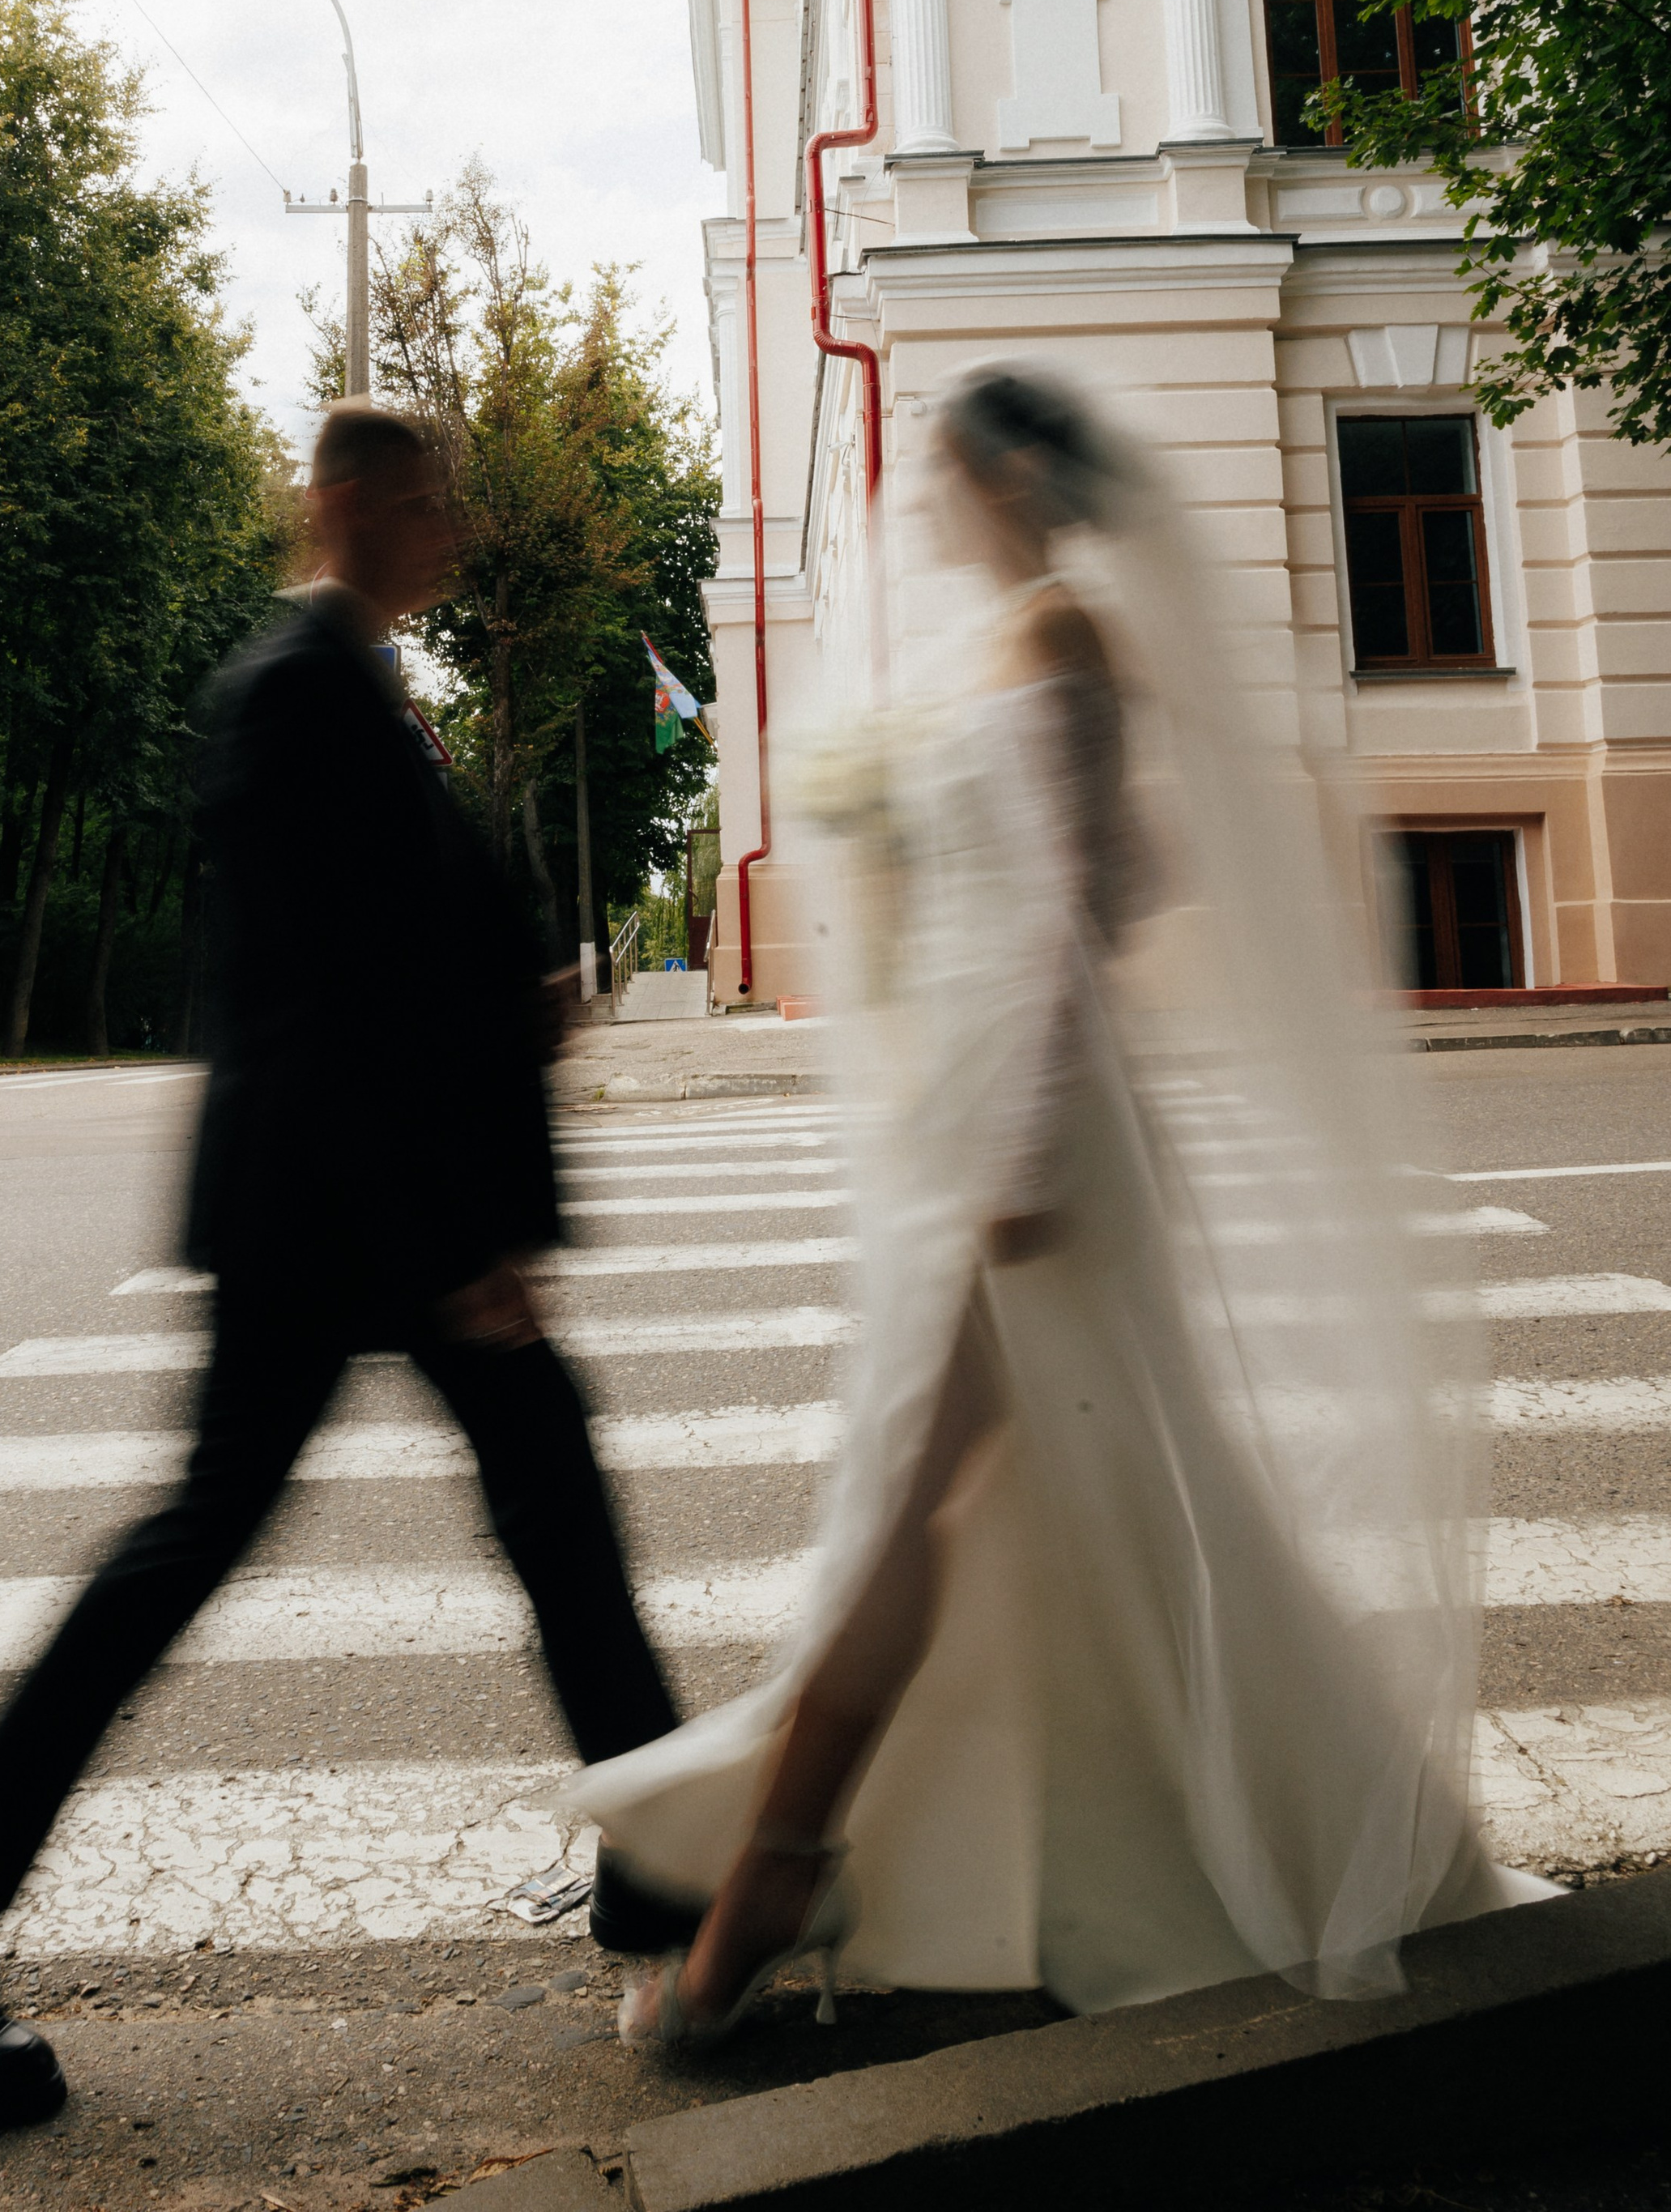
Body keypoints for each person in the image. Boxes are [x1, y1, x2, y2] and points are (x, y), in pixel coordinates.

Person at [580, 367, 1554, 2048]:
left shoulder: (1052, 642)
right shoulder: (1034, 644)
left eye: (940, 475)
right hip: (979, 1131)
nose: (920, 503)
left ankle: (767, 1889)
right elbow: (1119, 876)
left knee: (905, 1506)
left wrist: (1013, 1162)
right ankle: (968, 1846)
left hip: (1020, 1154)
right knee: (1042, 1509)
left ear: (1007, 484)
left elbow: (1050, 930)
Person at [0, 402, 682, 2128]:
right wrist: (460, 1250)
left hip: (362, 1211)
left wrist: (510, 1011)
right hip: (341, 1221)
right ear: (350, 501)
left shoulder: (352, 684)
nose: (451, 532)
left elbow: (395, 961)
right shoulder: (292, 693)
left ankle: (665, 1855)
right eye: (432, 502)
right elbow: (322, 1016)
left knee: (541, 1501)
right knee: (202, 1550)